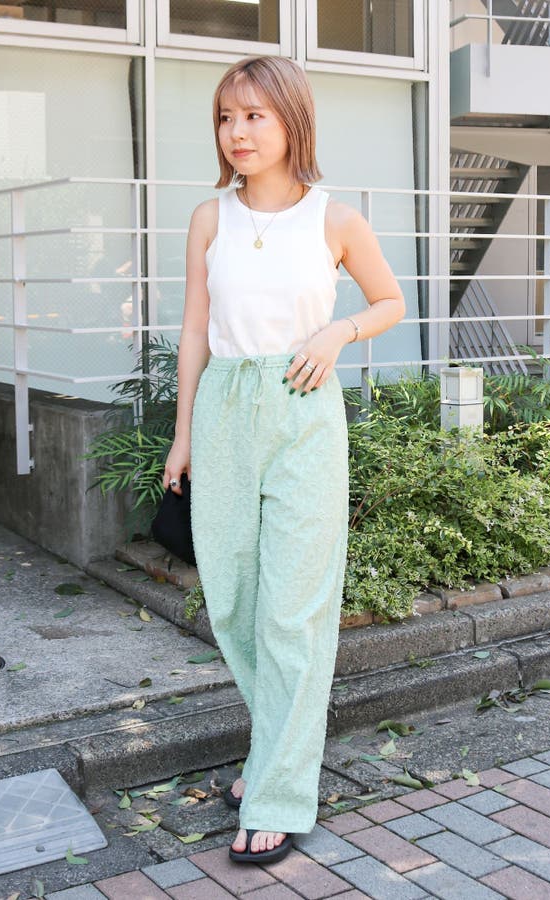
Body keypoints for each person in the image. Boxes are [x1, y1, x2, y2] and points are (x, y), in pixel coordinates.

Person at [161, 55, 405, 864]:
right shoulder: (210, 218)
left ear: (292, 120)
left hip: (304, 410)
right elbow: (194, 331)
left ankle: (277, 792)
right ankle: (277, 749)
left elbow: (390, 300)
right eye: (225, 117)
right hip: (225, 408)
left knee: (293, 610)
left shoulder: (336, 219)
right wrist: (183, 435)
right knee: (234, 602)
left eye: (254, 115)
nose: (237, 132)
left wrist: (339, 332)